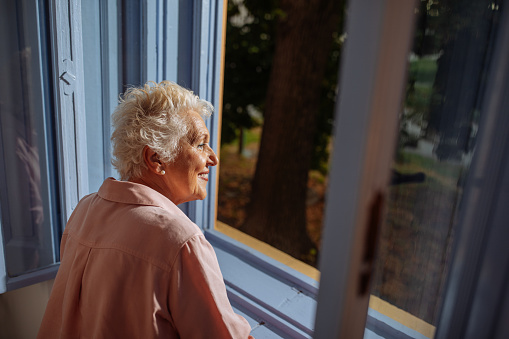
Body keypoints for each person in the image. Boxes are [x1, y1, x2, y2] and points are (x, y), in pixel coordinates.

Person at [38, 81, 253, 338]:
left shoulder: (85, 209)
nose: (213, 158)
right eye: (199, 144)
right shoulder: (181, 240)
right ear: (156, 159)